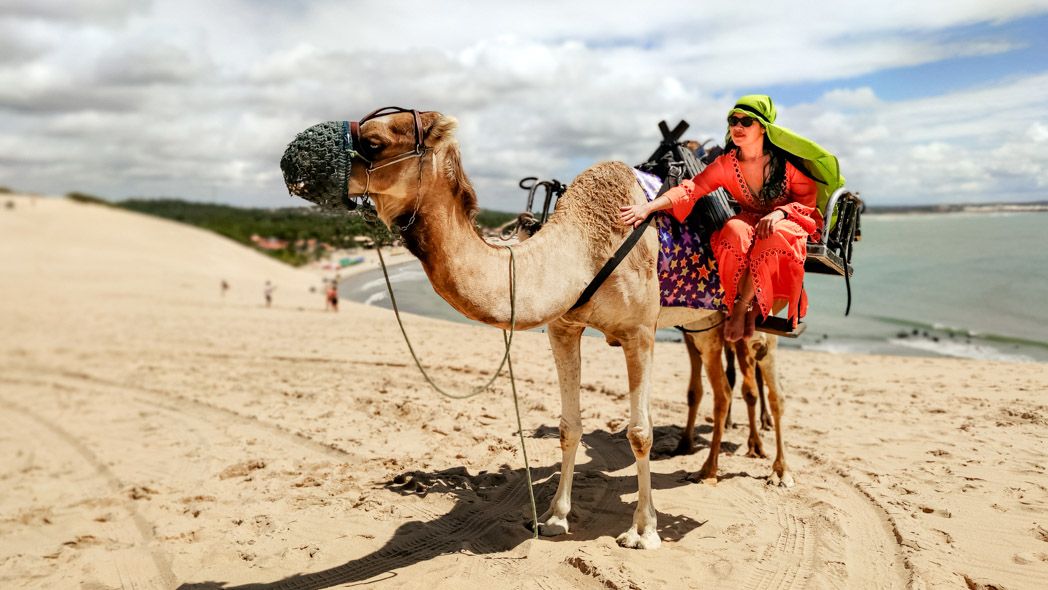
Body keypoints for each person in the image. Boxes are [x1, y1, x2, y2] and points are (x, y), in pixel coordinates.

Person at [620, 95, 843, 342]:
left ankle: (740, 308)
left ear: (763, 128)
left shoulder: (784, 163)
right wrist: (649, 207)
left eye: (746, 121)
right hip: (753, 218)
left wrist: (779, 213)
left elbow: (807, 202)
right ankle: (743, 305)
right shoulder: (727, 164)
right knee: (733, 230)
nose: (737, 127)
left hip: (791, 217)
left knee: (774, 233)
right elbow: (691, 189)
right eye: (733, 121)